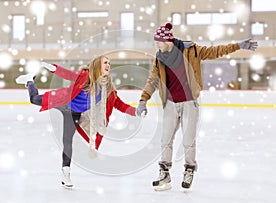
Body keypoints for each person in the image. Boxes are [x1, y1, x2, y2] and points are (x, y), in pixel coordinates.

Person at [136, 22, 258, 191]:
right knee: (165, 140)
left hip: (189, 102)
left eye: (158, 41)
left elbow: (215, 51)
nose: (156, 44)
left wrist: (237, 45)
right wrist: (143, 100)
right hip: (170, 103)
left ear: (168, 41)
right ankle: (164, 174)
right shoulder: (160, 57)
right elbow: (153, 79)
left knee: (188, 140)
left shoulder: (191, 50)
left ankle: (189, 170)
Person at [15, 55, 137, 189]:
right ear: (97, 66)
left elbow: (119, 104)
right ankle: (29, 82)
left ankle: (65, 173)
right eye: (105, 63)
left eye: (109, 63)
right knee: (34, 100)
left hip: (74, 114)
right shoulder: (85, 76)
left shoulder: (107, 89)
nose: (108, 65)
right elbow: (68, 74)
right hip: (63, 100)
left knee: (67, 140)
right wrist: (52, 68)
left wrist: (135, 111)